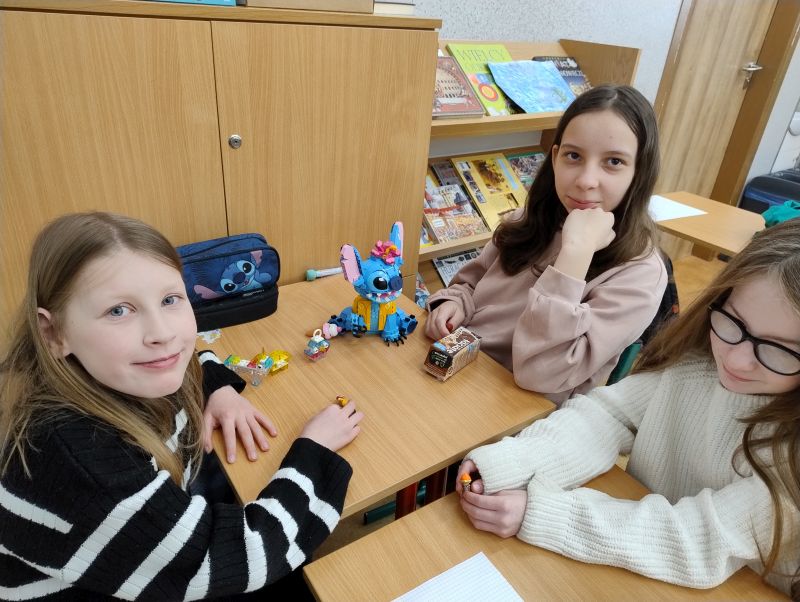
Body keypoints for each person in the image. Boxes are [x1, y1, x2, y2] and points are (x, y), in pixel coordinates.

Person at [0, 212, 364, 600]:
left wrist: (218, 390)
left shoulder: (115, 370)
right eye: (119, 311)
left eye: (170, 299)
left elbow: (192, 357)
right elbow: (251, 555)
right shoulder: (81, 465)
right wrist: (314, 451)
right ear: (54, 333)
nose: (162, 333)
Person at [456, 220, 800, 597]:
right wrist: (513, 462)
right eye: (734, 322)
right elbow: (607, 416)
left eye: (779, 350)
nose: (736, 359)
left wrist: (543, 513)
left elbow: (700, 539)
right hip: (634, 568)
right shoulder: (697, 366)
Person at [425, 85, 668, 403]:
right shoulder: (529, 218)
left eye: (613, 161)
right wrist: (454, 303)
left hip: (517, 409)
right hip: (457, 370)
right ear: (555, 158)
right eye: (573, 156)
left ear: (640, 171)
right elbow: (469, 284)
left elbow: (540, 373)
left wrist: (575, 255)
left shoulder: (640, 274)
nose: (586, 180)